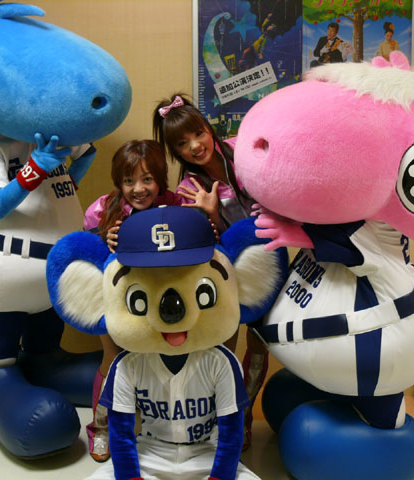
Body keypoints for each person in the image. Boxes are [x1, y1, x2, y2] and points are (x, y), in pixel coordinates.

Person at [82, 139, 219, 462]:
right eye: (129, 180)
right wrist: (103, 239)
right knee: (113, 359)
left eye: (147, 179)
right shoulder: (102, 209)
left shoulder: (177, 204)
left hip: (163, 303)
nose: (138, 189)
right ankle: (100, 428)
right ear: (118, 181)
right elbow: (85, 255)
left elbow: (204, 243)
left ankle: (171, 428)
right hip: (121, 303)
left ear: (159, 179)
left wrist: (208, 223)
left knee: (169, 361)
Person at [152, 93, 268, 451]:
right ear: (175, 152)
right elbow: (208, 244)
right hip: (226, 276)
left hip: (267, 266)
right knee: (224, 349)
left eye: (198, 134)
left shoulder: (242, 150)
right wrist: (212, 214)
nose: (195, 146)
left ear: (209, 128)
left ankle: (244, 417)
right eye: (182, 144)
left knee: (260, 346)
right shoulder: (189, 189)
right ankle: (224, 422)